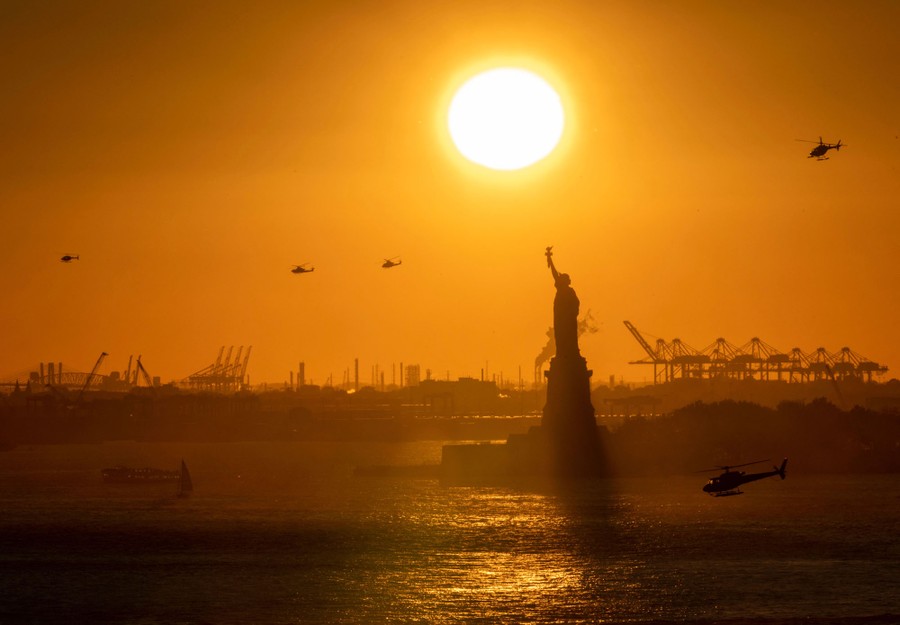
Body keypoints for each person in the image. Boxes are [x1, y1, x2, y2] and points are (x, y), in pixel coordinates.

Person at [546, 247, 580, 359]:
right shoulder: (561, 289)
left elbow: (576, 303)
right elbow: (554, 273)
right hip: (561, 319)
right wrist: (550, 259)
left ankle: (570, 353)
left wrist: (572, 312)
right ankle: (562, 353)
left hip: (569, 320)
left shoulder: (570, 291)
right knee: (560, 336)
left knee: (570, 337)